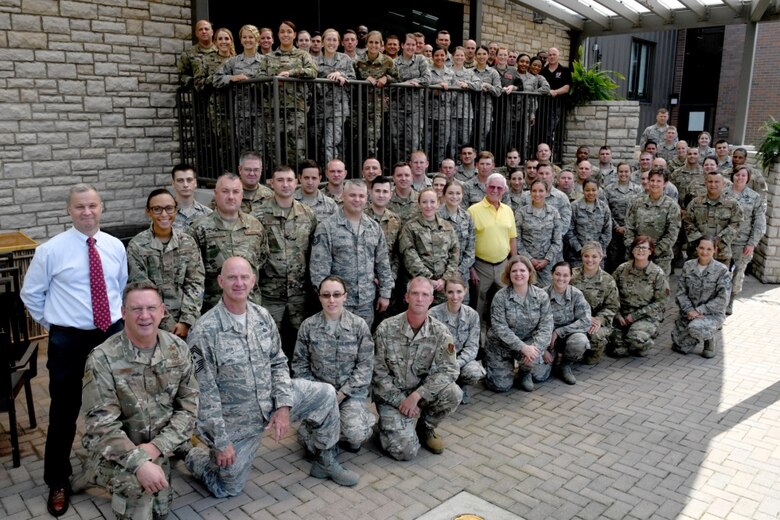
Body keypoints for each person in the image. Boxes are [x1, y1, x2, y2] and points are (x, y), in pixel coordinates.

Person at [187, 257, 360, 497]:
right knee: (227, 488)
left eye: (244, 277)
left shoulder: (262, 316)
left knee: (325, 394)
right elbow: (204, 392)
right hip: (236, 421)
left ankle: (325, 459)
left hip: (271, 401)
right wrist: (220, 441)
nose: (239, 283)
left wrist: (284, 406)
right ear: (220, 281)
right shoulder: (204, 331)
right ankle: (193, 455)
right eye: (232, 277)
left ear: (253, 281)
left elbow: (278, 362)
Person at [21, 184, 127, 517]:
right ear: (69, 211)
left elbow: (119, 286)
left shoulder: (113, 246)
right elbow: (31, 295)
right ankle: (58, 479)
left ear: (101, 208)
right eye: (79, 207)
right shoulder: (50, 251)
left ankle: (123, 468)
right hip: (68, 340)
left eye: (92, 206)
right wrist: (56, 325)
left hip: (111, 336)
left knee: (119, 405)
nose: (87, 212)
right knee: (65, 411)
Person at [76, 281, 199, 520]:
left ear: (162, 311)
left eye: (151, 308)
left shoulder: (178, 349)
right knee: (138, 488)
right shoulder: (103, 358)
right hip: (118, 447)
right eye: (136, 309)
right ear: (123, 312)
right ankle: (95, 469)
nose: (145, 316)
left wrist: (156, 448)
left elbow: (189, 407)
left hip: (158, 444)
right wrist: (139, 463)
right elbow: (101, 426)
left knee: (160, 508)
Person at [373, 277, 462, 460]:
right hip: (391, 396)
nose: (419, 299)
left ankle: (425, 427)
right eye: (415, 293)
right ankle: (386, 427)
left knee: (454, 393)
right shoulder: (386, 329)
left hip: (419, 394)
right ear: (406, 297)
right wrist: (401, 401)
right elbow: (377, 374)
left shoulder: (440, 332)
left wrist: (416, 396)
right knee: (406, 452)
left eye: (425, 295)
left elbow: (449, 370)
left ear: (431, 299)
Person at [292, 276, 376, 452]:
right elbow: (300, 366)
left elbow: (365, 366)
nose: (331, 300)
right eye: (326, 295)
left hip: (350, 394)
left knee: (355, 435)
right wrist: (320, 393)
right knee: (308, 444)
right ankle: (327, 429)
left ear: (345, 296)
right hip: (320, 395)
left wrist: (343, 393)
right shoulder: (308, 326)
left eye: (337, 295)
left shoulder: (358, 326)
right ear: (320, 297)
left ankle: (360, 420)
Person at [252, 165, 318, 358]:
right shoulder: (257, 216)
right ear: (271, 183)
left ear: (296, 182)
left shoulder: (308, 215)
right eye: (280, 180)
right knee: (268, 343)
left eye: (289, 180)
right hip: (270, 294)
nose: (285, 184)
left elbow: (315, 253)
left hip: (300, 295)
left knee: (302, 343)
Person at [310, 180, 394, 328]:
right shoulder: (327, 227)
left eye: (361, 196)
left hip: (366, 302)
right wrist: (327, 298)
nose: (357, 199)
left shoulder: (374, 227)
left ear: (367, 198)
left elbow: (383, 263)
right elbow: (319, 268)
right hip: (337, 302)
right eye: (352, 195)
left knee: (363, 343)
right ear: (343, 196)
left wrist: (385, 294)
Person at [127, 189, 205, 339]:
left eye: (169, 208)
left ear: (176, 210)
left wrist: (186, 321)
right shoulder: (137, 246)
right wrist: (168, 324)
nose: (164, 214)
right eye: (157, 209)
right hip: (150, 323)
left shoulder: (187, 242)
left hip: (187, 325)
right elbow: (141, 287)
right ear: (148, 212)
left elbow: (196, 283)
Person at [188, 173, 269, 312]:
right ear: (216, 193)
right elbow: (192, 274)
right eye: (225, 191)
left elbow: (262, 259)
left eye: (236, 192)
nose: (231, 197)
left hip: (250, 306)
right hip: (214, 308)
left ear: (242, 194)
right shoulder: (199, 229)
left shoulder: (255, 226)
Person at [485, 256, 554, 392]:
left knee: (540, 376)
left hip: (528, 342)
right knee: (500, 386)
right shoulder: (500, 296)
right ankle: (497, 366)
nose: (518, 274)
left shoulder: (541, 296)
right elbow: (500, 328)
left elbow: (546, 326)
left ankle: (524, 373)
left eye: (522, 270)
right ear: (508, 274)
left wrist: (536, 349)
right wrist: (523, 348)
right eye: (514, 271)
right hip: (500, 345)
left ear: (529, 272)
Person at [263, 21, 319, 166]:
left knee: (297, 147)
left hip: (296, 109)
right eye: (282, 31)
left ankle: (296, 180)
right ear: (278, 34)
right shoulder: (269, 57)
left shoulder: (302, 55)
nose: (285, 34)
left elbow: (312, 71)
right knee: (274, 146)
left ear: (294, 35)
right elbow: (259, 79)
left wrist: (291, 73)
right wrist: (275, 82)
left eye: (289, 31)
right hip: (273, 109)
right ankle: (278, 180)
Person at [468, 173, 518, 322]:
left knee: (502, 305)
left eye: (499, 188)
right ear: (485, 187)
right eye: (492, 187)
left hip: (503, 265)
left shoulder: (508, 210)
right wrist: (471, 269)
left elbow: (512, 238)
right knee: (477, 305)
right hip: (480, 266)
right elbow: (467, 242)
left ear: (504, 190)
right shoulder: (473, 211)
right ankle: (477, 341)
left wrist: (514, 263)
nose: (495, 190)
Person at [671, 237, 730, 358]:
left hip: (711, 314)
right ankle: (696, 331)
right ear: (697, 248)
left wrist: (699, 311)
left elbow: (722, 299)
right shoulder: (688, 266)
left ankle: (709, 339)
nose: (704, 252)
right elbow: (681, 293)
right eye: (702, 248)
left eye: (709, 249)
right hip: (689, 313)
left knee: (696, 329)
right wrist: (689, 310)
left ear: (715, 250)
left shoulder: (721, 270)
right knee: (679, 346)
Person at [398, 188, 460, 304]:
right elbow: (409, 255)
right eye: (424, 202)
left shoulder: (447, 226)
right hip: (420, 286)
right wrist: (428, 278)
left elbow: (454, 252)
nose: (428, 206)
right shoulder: (410, 227)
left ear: (438, 203)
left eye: (432, 202)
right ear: (419, 204)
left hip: (443, 286)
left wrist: (445, 278)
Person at [429, 277, 485, 403]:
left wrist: (457, 364)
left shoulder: (472, 315)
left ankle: (462, 385)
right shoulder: (433, 314)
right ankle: (446, 388)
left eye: (459, 292)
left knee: (474, 372)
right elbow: (430, 346)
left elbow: (472, 347)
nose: (455, 296)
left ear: (465, 291)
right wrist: (446, 365)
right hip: (440, 360)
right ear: (444, 293)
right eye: (450, 292)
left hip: (462, 360)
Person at [611, 236, 669, 357]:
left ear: (650, 251)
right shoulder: (622, 269)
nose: (640, 250)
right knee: (619, 351)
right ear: (632, 250)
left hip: (645, 317)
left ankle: (644, 340)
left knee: (635, 338)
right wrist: (618, 314)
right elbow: (611, 294)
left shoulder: (657, 273)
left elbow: (661, 302)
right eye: (637, 247)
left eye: (644, 248)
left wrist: (635, 316)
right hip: (622, 317)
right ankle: (632, 338)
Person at [212, 26, 267, 152]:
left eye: (251, 37)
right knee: (244, 147)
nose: (247, 40)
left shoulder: (266, 61)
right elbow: (216, 79)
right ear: (240, 40)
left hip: (262, 112)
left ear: (257, 39)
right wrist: (232, 78)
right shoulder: (233, 62)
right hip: (242, 112)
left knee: (261, 147)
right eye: (244, 37)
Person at [624, 169, 681, 277]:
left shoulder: (671, 206)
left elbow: (672, 233)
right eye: (652, 180)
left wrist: (653, 251)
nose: (655, 184)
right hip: (636, 255)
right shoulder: (637, 203)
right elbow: (629, 227)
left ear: (665, 184)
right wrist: (635, 248)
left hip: (661, 258)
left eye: (658, 181)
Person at [725, 166, 766, 314]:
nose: (740, 177)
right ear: (733, 176)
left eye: (743, 175)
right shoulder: (724, 193)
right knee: (720, 272)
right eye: (737, 174)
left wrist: (752, 243)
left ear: (747, 178)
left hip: (743, 243)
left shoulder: (755, 197)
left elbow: (760, 222)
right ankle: (717, 301)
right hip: (723, 241)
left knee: (737, 274)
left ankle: (730, 302)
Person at [571, 242, 619, 365]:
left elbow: (612, 306)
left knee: (595, 338)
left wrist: (599, 320)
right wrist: (585, 317)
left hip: (596, 322)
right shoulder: (571, 276)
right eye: (586, 256)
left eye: (594, 256)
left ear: (601, 258)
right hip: (575, 318)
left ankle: (593, 352)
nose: (590, 260)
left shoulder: (608, 280)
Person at [313, 29, 355, 163]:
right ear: (323, 42)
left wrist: (342, 75)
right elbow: (310, 85)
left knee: (329, 143)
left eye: (334, 40)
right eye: (328, 40)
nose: (331, 43)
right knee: (318, 144)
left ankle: (331, 176)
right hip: (318, 110)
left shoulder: (345, 59)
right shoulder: (314, 61)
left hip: (338, 109)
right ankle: (320, 176)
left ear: (339, 43)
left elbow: (353, 81)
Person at [546, 262, 591, 385]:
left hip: (569, 337)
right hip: (547, 340)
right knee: (539, 375)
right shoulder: (542, 295)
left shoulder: (576, 294)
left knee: (580, 341)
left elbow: (586, 321)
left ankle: (565, 365)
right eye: (558, 274)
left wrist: (559, 331)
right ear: (551, 274)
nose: (561, 278)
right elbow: (534, 324)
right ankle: (552, 360)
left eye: (565, 275)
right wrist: (543, 349)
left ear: (570, 277)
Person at [684, 171, 743, 266]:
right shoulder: (695, 203)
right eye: (710, 181)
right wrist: (701, 243)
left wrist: (718, 240)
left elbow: (737, 224)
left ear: (723, 184)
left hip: (721, 253)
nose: (713, 184)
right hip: (697, 254)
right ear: (705, 183)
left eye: (717, 182)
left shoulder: (733, 204)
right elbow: (687, 222)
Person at [354, 31, 398, 155]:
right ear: (366, 44)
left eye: (376, 42)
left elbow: (397, 78)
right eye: (371, 42)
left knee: (373, 137)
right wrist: (365, 80)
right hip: (360, 106)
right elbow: (352, 78)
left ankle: (372, 165)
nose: (374, 45)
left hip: (378, 107)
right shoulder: (358, 61)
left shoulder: (387, 61)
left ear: (381, 44)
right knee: (357, 137)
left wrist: (387, 78)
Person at [516, 179, 563, 287]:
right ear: (530, 192)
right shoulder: (521, 212)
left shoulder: (554, 213)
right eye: (534, 191)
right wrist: (530, 259)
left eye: (541, 191)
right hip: (526, 264)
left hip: (548, 265)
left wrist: (546, 260)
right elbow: (517, 239)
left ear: (546, 192)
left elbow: (557, 241)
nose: (537, 194)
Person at [393, 33, 431, 158]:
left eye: (413, 45)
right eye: (408, 44)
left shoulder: (421, 60)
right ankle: (399, 169)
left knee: (414, 140)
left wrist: (417, 81)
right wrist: (406, 83)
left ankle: (413, 168)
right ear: (402, 45)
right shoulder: (394, 62)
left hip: (416, 108)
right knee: (396, 139)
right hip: (397, 107)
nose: (411, 47)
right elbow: (391, 84)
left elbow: (427, 79)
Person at [438, 180, 476, 301]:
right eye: (450, 193)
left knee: (462, 307)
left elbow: (471, 248)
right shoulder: (436, 216)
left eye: (458, 193)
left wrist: (460, 271)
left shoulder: (467, 217)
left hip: (461, 275)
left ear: (462, 195)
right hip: (441, 275)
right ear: (444, 195)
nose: (454, 197)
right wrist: (448, 274)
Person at [604, 162, 642, 271]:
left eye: (626, 171)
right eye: (621, 171)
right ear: (617, 172)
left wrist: (627, 227)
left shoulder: (638, 189)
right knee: (613, 259)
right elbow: (606, 211)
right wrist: (616, 227)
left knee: (629, 258)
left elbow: (638, 211)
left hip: (631, 230)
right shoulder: (609, 189)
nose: (623, 174)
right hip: (613, 231)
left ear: (631, 173)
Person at [565, 178, 612, 266]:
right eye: (587, 190)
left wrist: (597, 250)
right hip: (577, 256)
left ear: (598, 190)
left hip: (597, 256)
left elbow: (607, 231)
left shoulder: (604, 208)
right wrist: (580, 249)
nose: (591, 193)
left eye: (594, 190)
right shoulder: (574, 207)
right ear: (583, 190)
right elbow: (569, 230)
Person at [519, 161, 572, 236]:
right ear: (537, 174)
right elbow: (518, 222)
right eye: (541, 173)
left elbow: (565, 224)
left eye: (547, 173)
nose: (544, 176)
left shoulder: (562, 197)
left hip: (552, 243)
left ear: (553, 175)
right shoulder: (525, 196)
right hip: (528, 242)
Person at [365, 176, 402, 283]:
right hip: (364, 280)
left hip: (388, 279)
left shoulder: (395, 220)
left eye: (385, 191)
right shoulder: (361, 217)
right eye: (377, 191)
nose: (381, 195)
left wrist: (391, 276)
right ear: (370, 192)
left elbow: (397, 253)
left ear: (390, 195)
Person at [427, 48, 457, 165]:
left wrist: (442, 94)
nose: (439, 58)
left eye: (442, 55)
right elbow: (423, 90)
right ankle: (426, 170)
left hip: (445, 114)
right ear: (433, 56)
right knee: (427, 143)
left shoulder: (450, 73)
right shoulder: (427, 71)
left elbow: (455, 93)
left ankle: (439, 169)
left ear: (446, 57)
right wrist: (436, 90)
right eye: (436, 55)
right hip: (428, 114)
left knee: (442, 144)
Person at [450, 47, 481, 159]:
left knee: (465, 140)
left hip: (466, 112)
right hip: (450, 112)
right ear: (452, 57)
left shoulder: (469, 72)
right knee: (452, 140)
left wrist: (467, 84)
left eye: (462, 55)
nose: (459, 57)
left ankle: (464, 163)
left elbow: (478, 85)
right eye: (457, 55)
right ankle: (453, 163)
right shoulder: (448, 71)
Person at [472, 45, 501, 151]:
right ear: (475, 56)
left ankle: (480, 158)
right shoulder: (469, 71)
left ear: (488, 55)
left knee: (483, 133)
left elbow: (498, 91)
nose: (481, 56)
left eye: (484, 54)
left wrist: (487, 86)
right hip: (470, 107)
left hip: (486, 108)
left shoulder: (493, 72)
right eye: (479, 54)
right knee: (470, 133)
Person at [225, 150, 273, 215]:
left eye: (256, 170)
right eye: (247, 169)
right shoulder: (225, 195)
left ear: (261, 170)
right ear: (240, 169)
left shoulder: (271, 196)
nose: (252, 173)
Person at [540, 47, 571, 144]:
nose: (552, 57)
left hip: (558, 105)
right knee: (543, 130)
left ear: (558, 56)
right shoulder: (542, 71)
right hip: (543, 106)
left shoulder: (565, 70)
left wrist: (555, 92)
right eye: (550, 55)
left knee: (555, 130)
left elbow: (566, 87)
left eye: (554, 54)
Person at [192, 27, 235, 92]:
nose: (223, 42)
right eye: (220, 39)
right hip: (214, 100)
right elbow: (198, 84)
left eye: (226, 39)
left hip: (234, 101)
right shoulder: (206, 60)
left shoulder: (237, 61)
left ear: (231, 41)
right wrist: (217, 78)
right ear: (215, 42)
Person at [178, 19, 218, 88]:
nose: (204, 31)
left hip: (220, 95)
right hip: (199, 95)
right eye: (200, 29)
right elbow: (181, 75)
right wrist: (192, 82)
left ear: (212, 32)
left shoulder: (220, 51)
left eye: (206, 29)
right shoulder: (188, 53)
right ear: (196, 33)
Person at [170, 163, 212, 230]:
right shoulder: (165, 214)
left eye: (189, 180)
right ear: (173, 183)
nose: (185, 185)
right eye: (180, 180)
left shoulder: (208, 214)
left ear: (195, 182)